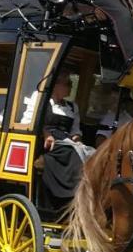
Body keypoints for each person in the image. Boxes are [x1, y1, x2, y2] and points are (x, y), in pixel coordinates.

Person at [33, 70, 97, 201]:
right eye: (68, 83)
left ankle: (89, 189)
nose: (71, 87)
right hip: (48, 140)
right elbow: (32, 121)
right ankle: (72, 193)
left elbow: (75, 130)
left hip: (66, 139)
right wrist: (46, 134)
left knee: (91, 153)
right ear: (56, 85)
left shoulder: (72, 107)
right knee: (71, 152)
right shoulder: (41, 99)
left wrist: (78, 140)